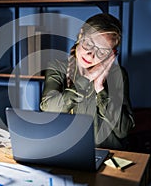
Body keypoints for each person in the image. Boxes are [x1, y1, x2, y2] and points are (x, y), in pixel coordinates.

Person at [40, 13, 135, 150]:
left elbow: (123, 130)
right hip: (66, 152)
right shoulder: (57, 67)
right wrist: (87, 78)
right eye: (89, 44)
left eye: (102, 52)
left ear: (111, 54)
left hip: (108, 155)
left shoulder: (118, 75)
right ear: (81, 35)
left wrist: (100, 88)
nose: (91, 54)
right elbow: (49, 108)